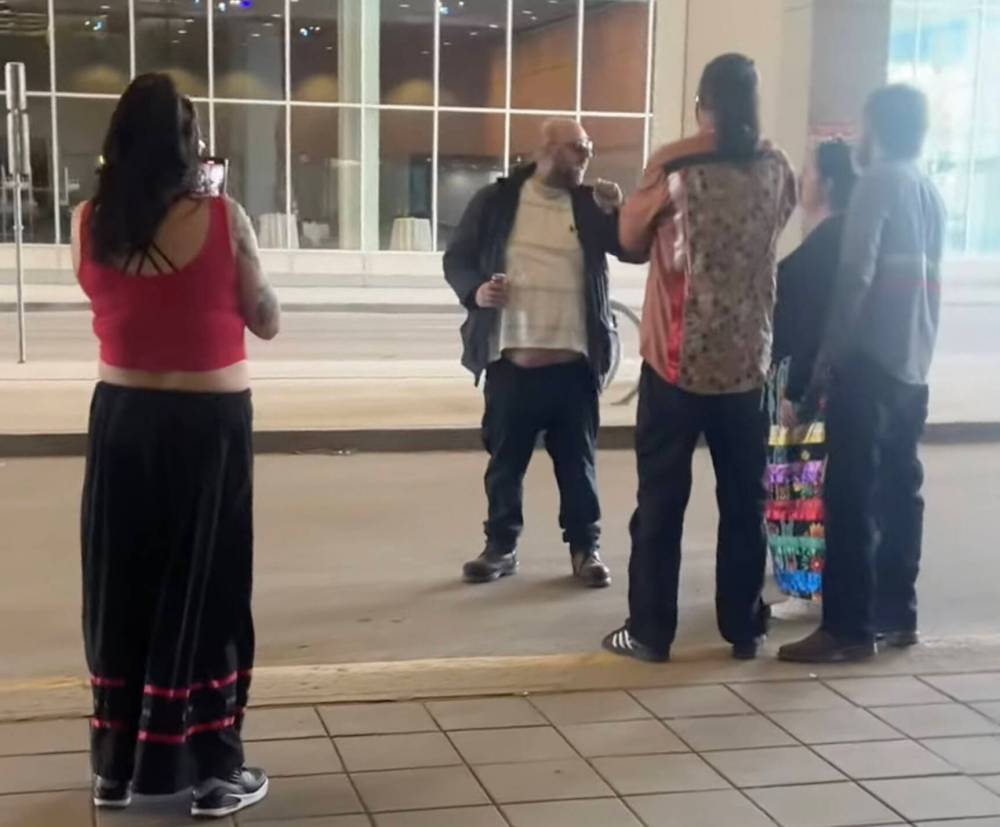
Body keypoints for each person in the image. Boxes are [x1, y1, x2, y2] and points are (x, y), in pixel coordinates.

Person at [73, 73, 280, 819]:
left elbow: (110, 303)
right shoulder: (226, 218)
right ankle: (214, 772)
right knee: (208, 591)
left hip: (122, 418)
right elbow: (265, 320)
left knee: (123, 587)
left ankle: (117, 769)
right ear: (190, 147)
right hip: (208, 426)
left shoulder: (89, 220)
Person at [602, 54, 797, 663]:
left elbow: (631, 241)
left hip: (676, 364)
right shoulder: (776, 166)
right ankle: (745, 628)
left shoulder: (675, 162)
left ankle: (651, 632)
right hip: (746, 367)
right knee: (745, 503)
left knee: (661, 502)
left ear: (701, 103)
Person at [779, 84, 946, 663]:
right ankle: (899, 614)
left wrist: (827, 362)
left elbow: (856, 278)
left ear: (877, 128)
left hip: (869, 363)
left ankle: (847, 627)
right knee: (902, 490)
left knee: (849, 495)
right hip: (912, 366)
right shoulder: (927, 188)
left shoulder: (878, 184)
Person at [444, 118, 630, 588]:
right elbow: (458, 258)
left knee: (578, 466)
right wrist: (477, 291)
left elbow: (630, 249)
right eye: (577, 148)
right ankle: (500, 547)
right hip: (513, 364)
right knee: (505, 464)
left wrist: (617, 212)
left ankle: (585, 549)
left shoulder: (589, 204)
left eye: (588, 148)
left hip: (573, 366)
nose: (586, 156)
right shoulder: (497, 201)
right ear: (545, 148)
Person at [767, 139, 857, 603]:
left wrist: (795, 391)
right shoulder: (844, 237)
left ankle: (809, 587)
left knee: (804, 486)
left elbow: (812, 324)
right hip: (827, 379)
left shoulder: (826, 245)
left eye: (809, 171)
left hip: (809, 384)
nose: (803, 179)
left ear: (829, 181)